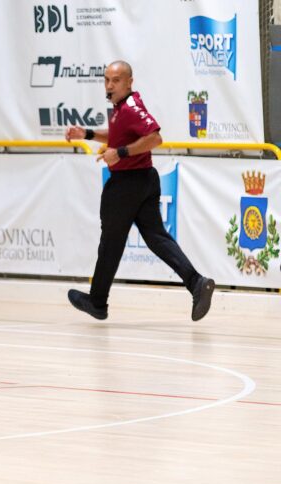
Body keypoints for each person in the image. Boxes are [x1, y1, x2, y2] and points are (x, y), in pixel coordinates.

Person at [65, 60, 215, 321]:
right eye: (106, 80)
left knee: (110, 243)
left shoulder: (131, 108)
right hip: (144, 180)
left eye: (116, 80)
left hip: (127, 185)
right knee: (157, 238)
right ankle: (196, 283)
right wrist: (87, 133)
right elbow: (118, 136)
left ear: (129, 82)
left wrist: (120, 153)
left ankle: (97, 302)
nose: (109, 85)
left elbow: (155, 138)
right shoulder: (121, 108)